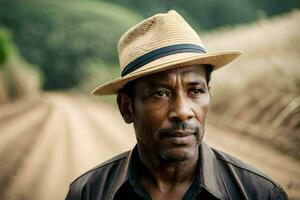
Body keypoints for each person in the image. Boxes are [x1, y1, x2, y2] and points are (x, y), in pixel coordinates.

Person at [65, 10, 288, 200]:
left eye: (196, 91)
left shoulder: (260, 193)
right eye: (160, 93)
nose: (182, 112)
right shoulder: (88, 193)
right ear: (126, 107)